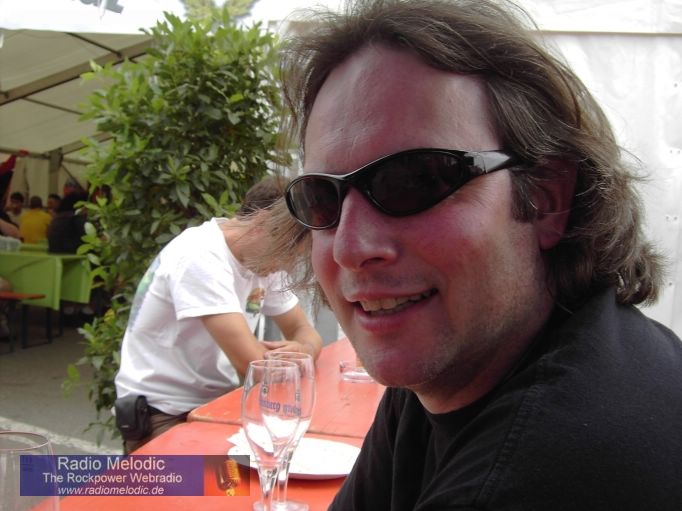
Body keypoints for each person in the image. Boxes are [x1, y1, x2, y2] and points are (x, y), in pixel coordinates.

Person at [261, 0, 682, 509]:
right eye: (322, 197)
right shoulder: (453, 372)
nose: (352, 248)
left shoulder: (539, 472)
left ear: (547, 198)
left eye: (414, 180)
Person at [114, 176, 323, 453]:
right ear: (263, 224)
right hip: (163, 412)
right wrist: (300, 358)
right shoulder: (200, 256)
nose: (288, 265)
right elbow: (254, 366)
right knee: (232, 476)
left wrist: (304, 349)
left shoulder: (264, 261)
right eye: (289, 253)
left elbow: (305, 332)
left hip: (213, 405)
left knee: (276, 460)